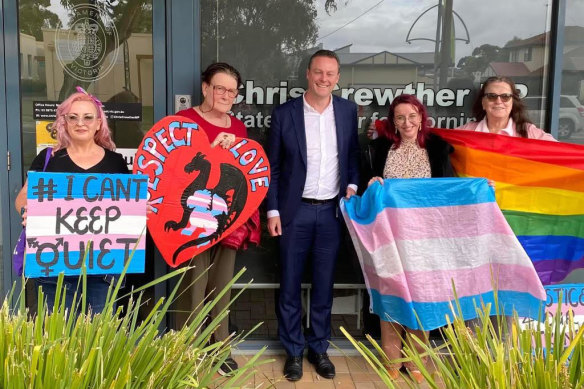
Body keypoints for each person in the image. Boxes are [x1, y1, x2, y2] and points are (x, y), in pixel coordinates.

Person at [266, 49, 360, 382]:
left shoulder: (348, 111)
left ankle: (318, 347)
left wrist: (351, 183)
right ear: (308, 74)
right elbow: (272, 168)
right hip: (295, 213)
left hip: (331, 213)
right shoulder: (285, 114)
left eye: (330, 74)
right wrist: (273, 209)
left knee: (324, 285)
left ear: (338, 78)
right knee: (289, 284)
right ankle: (293, 350)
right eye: (318, 72)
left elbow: (352, 156)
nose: (324, 79)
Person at [174, 62, 260, 376]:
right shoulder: (182, 121)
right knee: (194, 285)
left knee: (221, 285)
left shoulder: (237, 127)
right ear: (206, 88)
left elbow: (242, 169)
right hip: (193, 217)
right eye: (220, 88)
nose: (225, 95)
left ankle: (220, 346)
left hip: (226, 217)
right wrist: (209, 149)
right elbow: (174, 168)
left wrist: (236, 147)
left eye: (231, 91)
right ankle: (187, 351)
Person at [15, 87, 129, 314]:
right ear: (64, 122)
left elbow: (126, 207)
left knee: (98, 336)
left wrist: (136, 212)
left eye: (88, 117)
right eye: (73, 117)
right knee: (58, 335)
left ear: (98, 123)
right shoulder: (49, 158)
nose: (81, 123)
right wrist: (27, 213)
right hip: (54, 265)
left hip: (102, 267)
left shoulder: (116, 162)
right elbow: (23, 198)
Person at [366, 94, 455, 384]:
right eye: (400, 117)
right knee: (391, 295)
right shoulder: (379, 148)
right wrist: (371, 183)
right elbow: (369, 184)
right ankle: (391, 359)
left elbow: (449, 187)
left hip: (425, 238)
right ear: (393, 120)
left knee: (421, 297)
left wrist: (480, 186)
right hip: (389, 235)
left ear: (422, 117)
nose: (407, 122)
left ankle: (418, 359)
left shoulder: (437, 147)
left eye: (413, 115)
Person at [458, 76, 556, 141]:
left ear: (513, 102)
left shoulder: (529, 133)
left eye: (505, 96)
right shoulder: (465, 133)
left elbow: (562, 154)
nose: (498, 101)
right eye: (492, 96)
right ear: (483, 102)